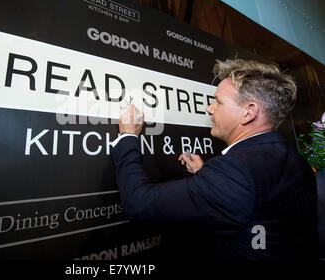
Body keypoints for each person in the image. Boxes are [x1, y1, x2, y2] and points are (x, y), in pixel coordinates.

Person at [111, 59, 318, 260]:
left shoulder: (234, 173)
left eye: (218, 101)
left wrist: (128, 136)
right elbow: (255, 204)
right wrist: (204, 174)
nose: (209, 108)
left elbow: (138, 203)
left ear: (249, 112)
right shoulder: (298, 163)